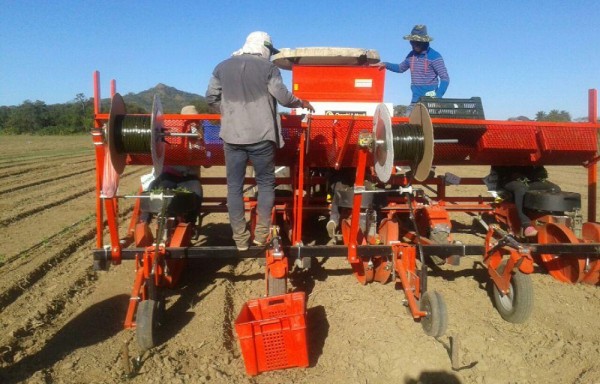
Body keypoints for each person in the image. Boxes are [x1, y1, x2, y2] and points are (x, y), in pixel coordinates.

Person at [205, 31, 315, 251]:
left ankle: (239, 238)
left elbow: (210, 97)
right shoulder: (269, 68)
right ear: (264, 47)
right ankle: (261, 233)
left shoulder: (221, 67)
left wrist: (228, 112)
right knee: (266, 184)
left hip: (232, 136)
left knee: (234, 187)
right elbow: (283, 97)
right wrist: (301, 102)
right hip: (262, 137)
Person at [139, 105, 203, 225]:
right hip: (169, 174)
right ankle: (144, 219)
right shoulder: (171, 134)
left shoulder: (200, 138)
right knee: (155, 189)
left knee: (196, 194)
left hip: (189, 177)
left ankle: (191, 222)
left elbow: (207, 162)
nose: (193, 125)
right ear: (183, 121)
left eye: (195, 122)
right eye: (190, 122)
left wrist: (199, 146)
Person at [375, 24, 449, 115]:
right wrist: (385, 64)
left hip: (431, 102)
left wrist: (438, 97)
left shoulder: (435, 56)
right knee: (407, 122)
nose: (414, 45)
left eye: (418, 42)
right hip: (415, 101)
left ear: (424, 42)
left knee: (428, 126)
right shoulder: (411, 56)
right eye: (412, 42)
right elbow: (400, 68)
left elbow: (445, 78)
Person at [490, 165, 560, 237]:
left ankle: (556, 219)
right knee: (520, 188)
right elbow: (498, 168)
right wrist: (512, 174)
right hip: (507, 180)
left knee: (554, 188)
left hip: (529, 180)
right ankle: (526, 224)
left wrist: (539, 172)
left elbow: (536, 165)